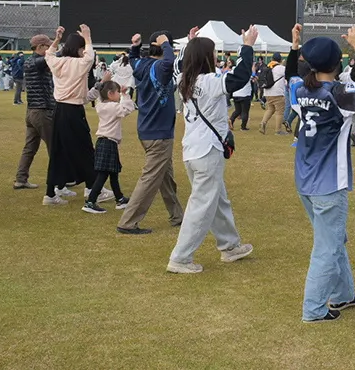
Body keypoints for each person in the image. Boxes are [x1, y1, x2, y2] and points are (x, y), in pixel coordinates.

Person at [288, 25, 355, 322]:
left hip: (305, 178)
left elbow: (293, 72)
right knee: (327, 248)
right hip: (329, 182)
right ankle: (314, 310)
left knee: (333, 238)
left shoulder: (300, 89)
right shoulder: (341, 94)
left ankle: (343, 294)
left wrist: (294, 47)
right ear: (336, 64)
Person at [166, 26, 257, 274]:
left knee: (217, 199)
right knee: (202, 204)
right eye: (213, 53)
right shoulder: (210, 81)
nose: (216, 57)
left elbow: (177, 64)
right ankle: (181, 258)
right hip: (208, 151)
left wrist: (191, 43)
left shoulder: (184, 79)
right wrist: (247, 45)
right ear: (207, 57)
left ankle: (230, 246)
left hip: (192, 150)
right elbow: (239, 77)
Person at [116, 31, 185, 235]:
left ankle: (177, 215)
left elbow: (134, 59)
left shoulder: (142, 64)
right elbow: (169, 62)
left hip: (148, 129)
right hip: (159, 133)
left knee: (165, 175)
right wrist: (166, 45)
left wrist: (135, 46)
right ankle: (128, 221)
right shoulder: (159, 66)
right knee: (150, 178)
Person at [43, 25, 100, 206]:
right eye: (82, 48)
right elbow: (89, 58)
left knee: (59, 152)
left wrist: (57, 40)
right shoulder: (78, 63)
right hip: (73, 111)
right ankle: (92, 189)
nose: (84, 51)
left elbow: (48, 54)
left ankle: (51, 193)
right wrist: (88, 37)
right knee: (85, 150)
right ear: (78, 49)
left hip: (59, 110)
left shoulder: (57, 62)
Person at [83, 80, 134, 214]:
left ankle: (119, 198)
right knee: (104, 174)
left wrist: (121, 95)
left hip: (104, 141)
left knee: (113, 172)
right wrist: (125, 95)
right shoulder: (112, 107)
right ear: (111, 94)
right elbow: (127, 109)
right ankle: (91, 201)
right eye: (117, 92)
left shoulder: (101, 105)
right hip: (108, 143)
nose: (118, 94)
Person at [13, 35, 54, 191]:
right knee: (54, 147)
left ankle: (21, 179)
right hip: (42, 111)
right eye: (48, 46)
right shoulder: (37, 62)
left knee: (30, 148)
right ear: (40, 47)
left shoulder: (30, 62)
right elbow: (49, 59)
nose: (50, 49)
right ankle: (58, 181)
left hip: (32, 111)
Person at [258, 52, 287, 135]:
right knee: (279, 111)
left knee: (270, 109)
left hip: (267, 92)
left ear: (272, 59)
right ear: (280, 60)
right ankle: (278, 130)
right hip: (278, 93)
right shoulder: (281, 68)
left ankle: (263, 123)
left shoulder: (267, 67)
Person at [229, 61, 254, 131]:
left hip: (236, 93)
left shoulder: (233, 70)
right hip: (245, 93)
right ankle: (243, 127)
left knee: (237, 110)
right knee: (245, 111)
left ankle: (231, 120)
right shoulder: (246, 71)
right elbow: (252, 78)